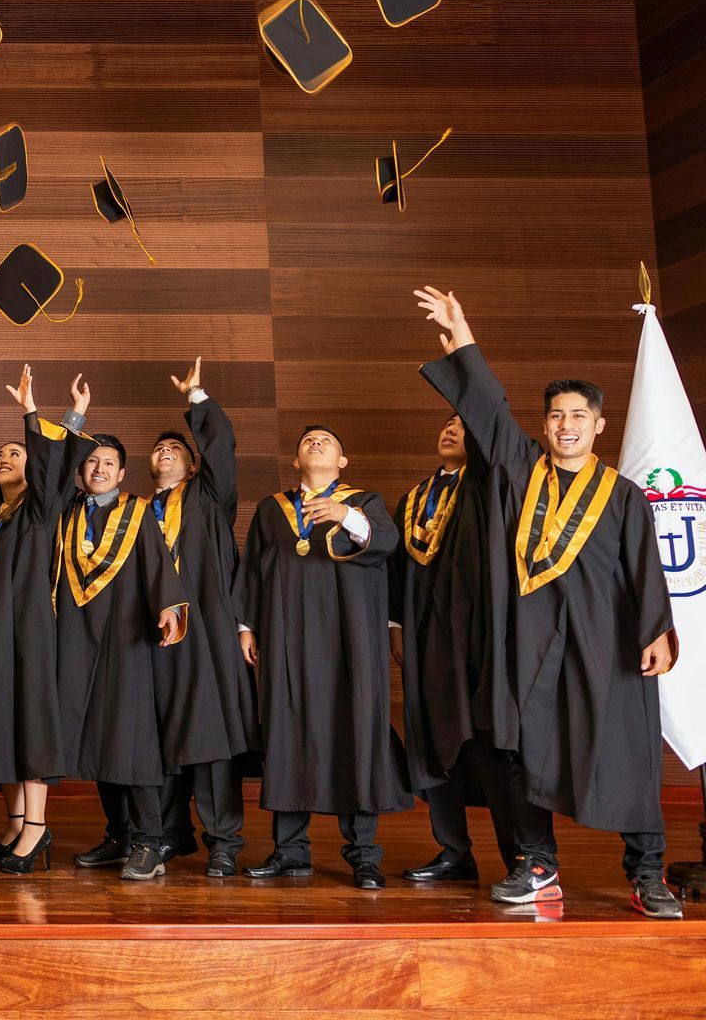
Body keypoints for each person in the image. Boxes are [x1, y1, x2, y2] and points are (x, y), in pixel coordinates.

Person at [415, 286, 682, 919]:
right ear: (545, 426)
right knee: (515, 747)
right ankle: (536, 864)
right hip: (526, 641)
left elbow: (645, 569)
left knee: (626, 749)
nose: (566, 426)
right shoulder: (517, 469)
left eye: (578, 417)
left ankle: (647, 873)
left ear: (599, 425)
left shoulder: (622, 496)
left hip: (602, 641)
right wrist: (463, 338)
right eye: (557, 416)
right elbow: (489, 409)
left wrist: (656, 629)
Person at [234, 426, 409, 889]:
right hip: (285, 637)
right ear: (295, 461)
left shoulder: (365, 503)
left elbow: (385, 546)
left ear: (343, 460)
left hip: (349, 639)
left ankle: (364, 854)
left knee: (355, 733)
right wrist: (246, 627)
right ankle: (290, 852)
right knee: (287, 732)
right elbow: (251, 569)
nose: (315, 443)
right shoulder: (273, 509)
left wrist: (343, 514)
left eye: (327, 441)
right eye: (307, 440)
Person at [54, 431, 231, 881]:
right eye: (91, 462)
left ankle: (148, 843)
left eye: (109, 463)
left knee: (132, 739)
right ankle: (119, 835)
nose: (99, 470)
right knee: (97, 737)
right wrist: (74, 420)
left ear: (122, 473)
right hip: (79, 637)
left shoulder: (136, 512)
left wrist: (169, 605)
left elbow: (157, 562)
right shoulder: (66, 510)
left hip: (128, 636)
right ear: (80, 470)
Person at [0, 365, 89, 875]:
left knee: (29, 724)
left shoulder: (41, 510)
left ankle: (36, 827)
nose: (4, 459)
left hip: (30, 634)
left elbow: (57, 461)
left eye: (15, 453)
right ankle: (15, 821)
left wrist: (35, 411)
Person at [389, 413, 520, 885]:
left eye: (463, 424)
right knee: (428, 739)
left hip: (477, 633)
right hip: (426, 636)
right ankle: (454, 850)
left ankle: (521, 858)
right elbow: (398, 573)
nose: (450, 429)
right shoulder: (413, 499)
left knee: (485, 741)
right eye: (445, 423)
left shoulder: (486, 485)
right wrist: (397, 629)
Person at [141, 359, 256, 877]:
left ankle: (224, 839)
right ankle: (169, 834)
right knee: (162, 734)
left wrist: (197, 401)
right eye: (159, 449)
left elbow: (223, 449)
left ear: (192, 465)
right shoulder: (136, 512)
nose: (166, 453)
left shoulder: (209, 498)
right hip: (153, 639)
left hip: (206, 633)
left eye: (177, 449)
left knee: (210, 737)